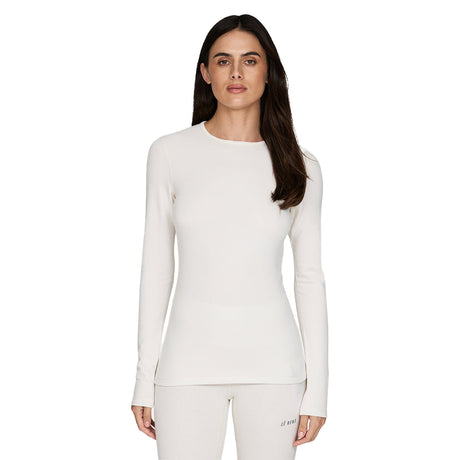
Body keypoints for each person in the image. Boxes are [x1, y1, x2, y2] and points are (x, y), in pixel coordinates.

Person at [131, 14, 329, 460]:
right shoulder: (169, 153)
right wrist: (144, 378)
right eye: (223, 61)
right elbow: (156, 270)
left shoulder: (301, 167)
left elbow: (309, 279)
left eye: (250, 60)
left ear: (268, 72)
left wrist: (317, 390)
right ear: (206, 72)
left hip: (275, 370)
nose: (236, 72)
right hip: (185, 370)